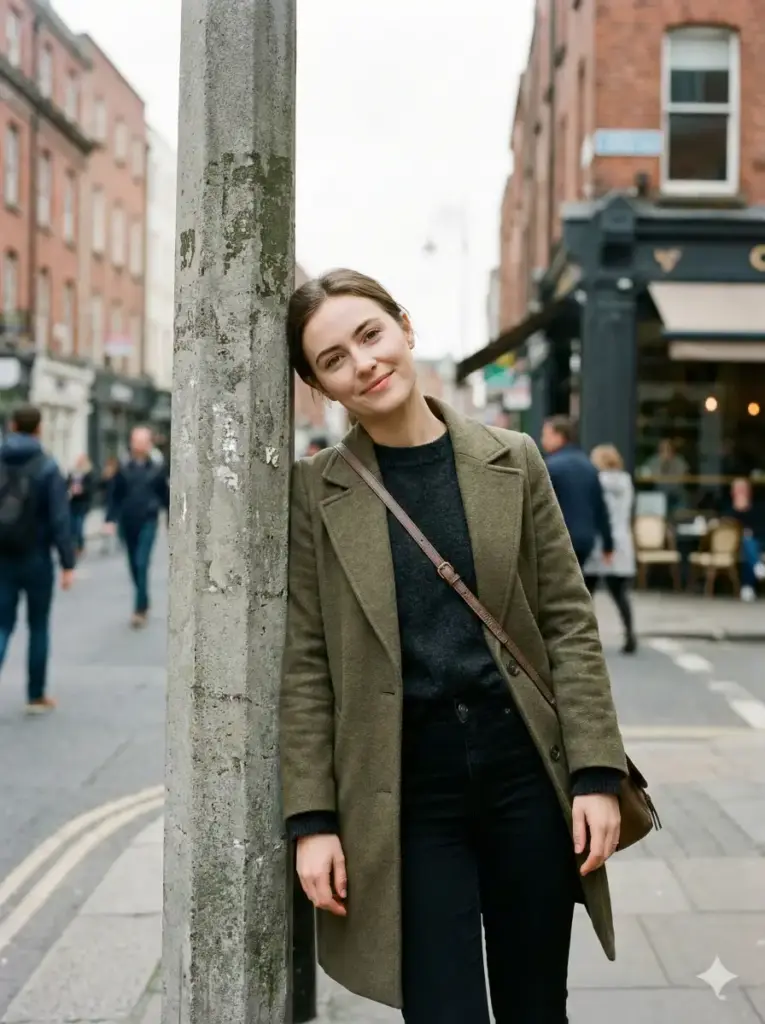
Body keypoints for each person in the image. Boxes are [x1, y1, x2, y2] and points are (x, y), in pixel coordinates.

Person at [279, 269, 630, 1022]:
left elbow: (567, 619)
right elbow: (307, 663)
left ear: (405, 328)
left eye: (369, 335)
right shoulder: (317, 493)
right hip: (406, 791)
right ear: (321, 387)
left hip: (524, 779)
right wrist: (312, 822)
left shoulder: (514, 458)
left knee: (536, 1007)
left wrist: (596, 771)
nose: (363, 363)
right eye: (333, 359)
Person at [0, 405, 75, 713]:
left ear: (13, 425)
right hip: (36, 557)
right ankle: (35, 695)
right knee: (38, 626)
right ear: (39, 429)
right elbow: (60, 518)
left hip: (2, 556)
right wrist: (68, 563)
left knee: (2, 625)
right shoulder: (47, 466)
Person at [104, 426, 169, 628]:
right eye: (136, 440)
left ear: (149, 443)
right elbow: (114, 495)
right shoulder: (122, 467)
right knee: (133, 564)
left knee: (142, 563)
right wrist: (110, 520)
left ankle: (139, 609)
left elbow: (165, 495)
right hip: (127, 520)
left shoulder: (158, 467)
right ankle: (144, 599)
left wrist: (172, 519)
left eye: (143, 440)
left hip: (148, 519)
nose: (139, 444)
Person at [583, 445, 637, 654]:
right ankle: (629, 634)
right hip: (621, 540)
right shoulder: (625, 482)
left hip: (600, 541)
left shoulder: (597, 481)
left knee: (587, 593)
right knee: (620, 594)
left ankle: (587, 638)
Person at [541, 415, 614, 569]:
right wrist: (608, 545)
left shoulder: (550, 467)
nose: (542, 441)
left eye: (545, 435)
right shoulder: (589, 467)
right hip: (585, 541)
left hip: (557, 541)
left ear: (559, 436)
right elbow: (601, 508)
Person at [67, 454, 95, 560]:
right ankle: (74, 546)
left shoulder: (88, 473)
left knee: (79, 525)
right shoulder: (72, 473)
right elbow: (67, 483)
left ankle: (80, 546)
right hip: (72, 502)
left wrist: (81, 490)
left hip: (82, 503)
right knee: (72, 525)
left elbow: (91, 488)